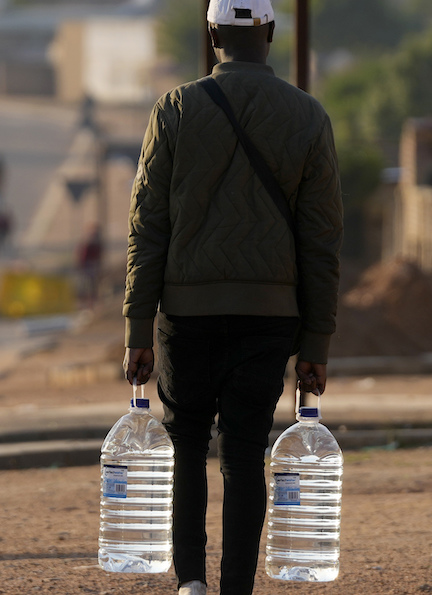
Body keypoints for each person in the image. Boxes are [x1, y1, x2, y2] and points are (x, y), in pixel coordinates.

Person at [122, 1, 343, 593]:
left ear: (212, 33)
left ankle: (190, 582)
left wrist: (138, 330)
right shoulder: (308, 116)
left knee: (188, 445)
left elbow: (148, 226)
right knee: (245, 452)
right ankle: (235, 590)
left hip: (185, 312)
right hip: (269, 317)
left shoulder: (173, 110)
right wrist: (316, 343)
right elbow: (321, 241)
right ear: (269, 33)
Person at [77, 223, 103, 309]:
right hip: (89, 266)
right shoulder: (91, 242)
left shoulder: (92, 242)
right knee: (88, 285)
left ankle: (90, 303)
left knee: (90, 285)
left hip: (90, 266)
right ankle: (88, 303)